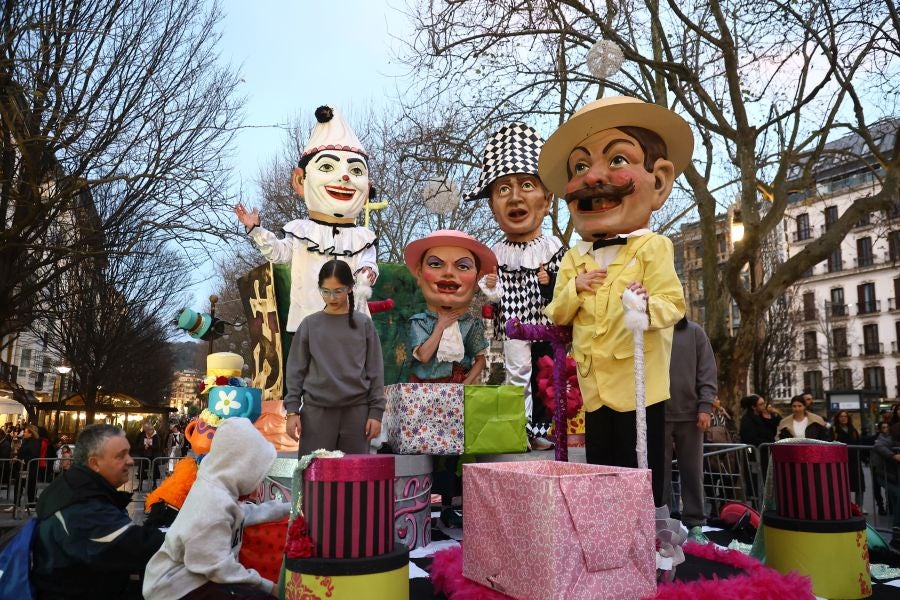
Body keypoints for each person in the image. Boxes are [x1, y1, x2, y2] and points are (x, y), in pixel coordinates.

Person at [541, 96, 689, 507]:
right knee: (600, 471)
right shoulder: (574, 257)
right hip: (594, 387)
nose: (593, 179)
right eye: (580, 167)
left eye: (618, 159)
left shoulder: (653, 247)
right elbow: (556, 314)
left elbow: (673, 306)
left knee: (641, 471)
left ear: (658, 181)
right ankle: (602, 544)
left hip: (640, 388)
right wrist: (576, 287)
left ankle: (644, 543)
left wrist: (643, 311)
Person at [234, 105, 378, 333]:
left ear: (368, 188)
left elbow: (368, 262)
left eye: (356, 171)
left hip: (352, 325)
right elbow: (279, 253)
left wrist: (367, 273)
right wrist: (256, 230)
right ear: (300, 181)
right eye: (328, 166)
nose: (344, 177)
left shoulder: (363, 238)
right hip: (310, 322)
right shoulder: (301, 232)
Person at [466, 123, 566, 450]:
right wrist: (490, 291)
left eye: (526, 185)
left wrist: (548, 286)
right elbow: (483, 307)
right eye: (504, 189)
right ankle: (515, 429)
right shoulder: (492, 256)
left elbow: (568, 300)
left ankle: (539, 430)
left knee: (544, 381)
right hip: (508, 333)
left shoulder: (554, 251)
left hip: (544, 331)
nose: (516, 197)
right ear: (493, 206)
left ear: (547, 198)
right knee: (510, 379)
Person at [404, 230, 497, 527]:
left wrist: (466, 385)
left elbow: (481, 356)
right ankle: (416, 503)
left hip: (458, 396)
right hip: (424, 396)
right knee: (425, 451)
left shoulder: (470, 325)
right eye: (435, 264)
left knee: (457, 453)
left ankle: (453, 505)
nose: (448, 274)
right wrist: (441, 326)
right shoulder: (418, 322)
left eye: (462, 266)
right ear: (420, 275)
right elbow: (421, 356)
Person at [143, 418, 289, 599]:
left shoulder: (219, 490)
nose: (260, 480)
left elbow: (243, 514)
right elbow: (218, 567)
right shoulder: (214, 501)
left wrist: (288, 509)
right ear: (243, 467)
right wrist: (269, 587)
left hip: (192, 581)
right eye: (257, 471)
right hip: (176, 588)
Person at [31, 424, 166, 599]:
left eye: (129, 453)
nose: (130, 461)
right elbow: (137, 545)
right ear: (94, 463)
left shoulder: (78, 488)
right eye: (121, 456)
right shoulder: (81, 505)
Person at [284, 259, 385, 455]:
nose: (331, 297)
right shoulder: (309, 325)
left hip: (357, 415)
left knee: (355, 482)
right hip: (315, 414)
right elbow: (295, 371)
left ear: (350, 288)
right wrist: (292, 411)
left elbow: (375, 371)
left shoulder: (363, 324)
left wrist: (376, 413)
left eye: (338, 291)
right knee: (316, 480)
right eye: (325, 291)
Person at [664, 316, 716, 542]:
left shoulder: (695, 332)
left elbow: (707, 370)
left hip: (691, 414)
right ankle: (663, 523)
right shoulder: (650, 330)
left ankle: (695, 523)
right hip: (657, 414)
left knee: (692, 471)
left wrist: (705, 406)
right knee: (660, 474)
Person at [873, 422, 900, 551]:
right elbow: (878, 445)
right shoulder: (889, 437)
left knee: (897, 503)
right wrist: (893, 455)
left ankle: (896, 537)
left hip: (893, 477)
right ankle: (896, 537)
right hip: (887, 476)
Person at [831, 410, 866, 508]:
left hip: (855, 461)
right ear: (838, 418)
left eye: (845, 416)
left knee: (859, 485)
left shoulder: (853, 430)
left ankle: (859, 507)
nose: (843, 418)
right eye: (841, 416)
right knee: (843, 486)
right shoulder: (834, 430)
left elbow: (859, 443)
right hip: (841, 462)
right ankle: (846, 507)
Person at [134, 421, 162, 489]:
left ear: (151, 430)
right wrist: (144, 447)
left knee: (154, 471)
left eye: (148, 431)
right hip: (144, 456)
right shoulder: (142, 435)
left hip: (153, 456)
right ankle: (140, 486)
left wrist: (150, 446)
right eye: (146, 431)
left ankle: (154, 485)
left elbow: (158, 447)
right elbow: (137, 445)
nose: (147, 433)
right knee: (141, 471)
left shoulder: (156, 436)